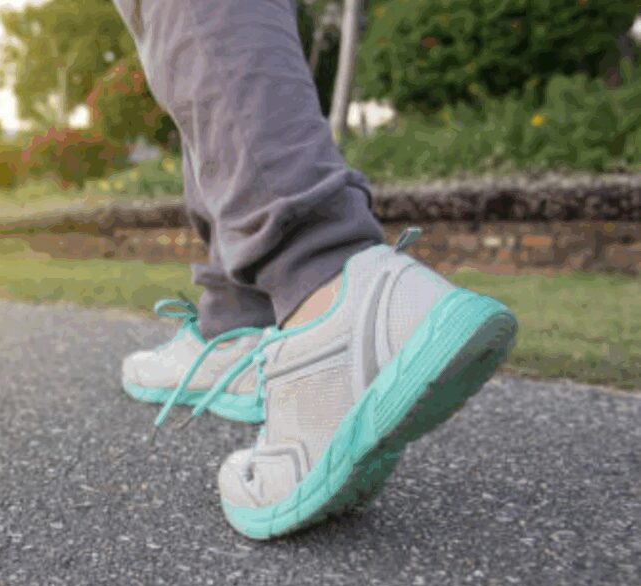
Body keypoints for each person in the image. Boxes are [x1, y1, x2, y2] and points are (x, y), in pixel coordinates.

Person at [114, 0, 518, 539]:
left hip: (323, 257)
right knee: (191, 57)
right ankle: (238, 320)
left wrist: (313, 249)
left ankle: (325, 282)